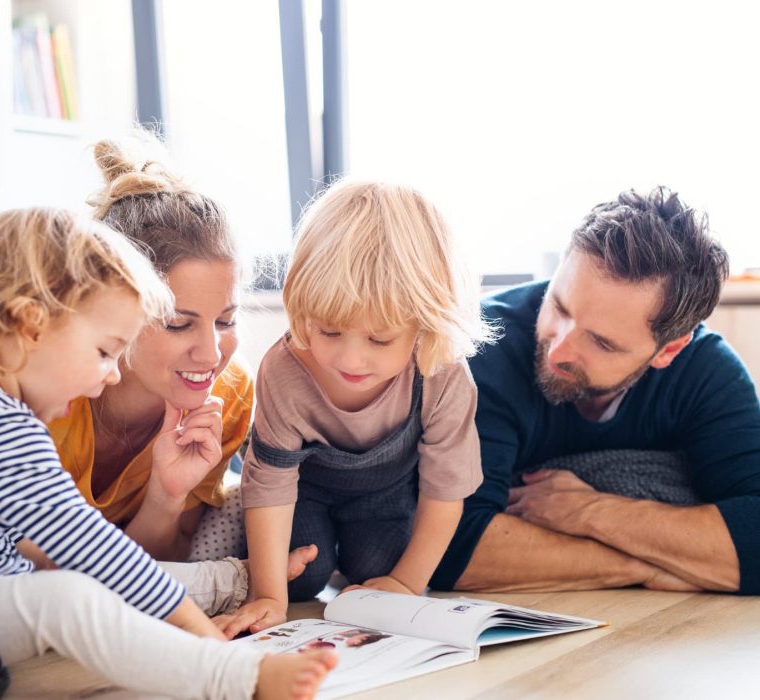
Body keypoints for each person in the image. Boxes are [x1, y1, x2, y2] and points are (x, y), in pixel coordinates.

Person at [0, 207, 336, 699]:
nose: (111, 373)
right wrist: (206, 642)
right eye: (106, 352)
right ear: (32, 326)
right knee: (69, 598)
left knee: (88, 579)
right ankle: (235, 679)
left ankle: (236, 583)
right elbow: (94, 550)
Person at [429, 186, 760, 595]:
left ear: (668, 350)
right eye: (559, 308)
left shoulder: (707, 372)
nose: (559, 350)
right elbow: (451, 549)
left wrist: (591, 512)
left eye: (602, 342)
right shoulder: (482, 347)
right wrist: (644, 565)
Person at [218, 179, 493, 638]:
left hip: (386, 494)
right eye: (328, 332)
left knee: (378, 568)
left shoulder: (442, 373)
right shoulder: (285, 371)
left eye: (380, 340)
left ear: (424, 327)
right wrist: (267, 595)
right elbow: (270, 487)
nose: (349, 359)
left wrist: (407, 583)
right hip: (305, 491)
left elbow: (446, 492)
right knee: (302, 576)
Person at [24, 131, 254, 565]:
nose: (210, 355)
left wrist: (165, 497)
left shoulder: (231, 392)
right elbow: (31, 571)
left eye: (226, 321)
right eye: (177, 324)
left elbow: (158, 568)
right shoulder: (48, 392)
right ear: (118, 313)